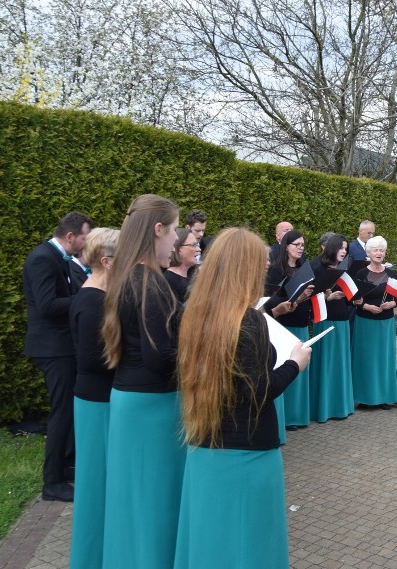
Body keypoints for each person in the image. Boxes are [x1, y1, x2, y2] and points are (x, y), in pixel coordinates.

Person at [174, 228, 311, 569]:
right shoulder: (247, 320)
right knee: (250, 545)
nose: (266, 267)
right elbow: (259, 392)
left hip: (205, 443)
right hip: (247, 451)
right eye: (259, 262)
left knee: (212, 542)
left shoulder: (194, 312)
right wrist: (295, 363)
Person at [100, 194, 185, 568]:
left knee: (134, 501)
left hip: (132, 399)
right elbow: (159, 357)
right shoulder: (149, 282)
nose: (177, 242)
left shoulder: (126, 274)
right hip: (152, 406)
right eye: (174, 232)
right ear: (157, 229)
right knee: (154, 502)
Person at [23, 210, 95, 502]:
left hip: (62, 346)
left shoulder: (60, 259)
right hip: (53, 348)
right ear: (70, 237)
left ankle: (65, 467)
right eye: (84, 238)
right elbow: (47, 305)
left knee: (67, 411)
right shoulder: (42, 258)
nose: (86, 244)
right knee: (61, 413)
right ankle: (51, 482)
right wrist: (87, 296)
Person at [68, 227, 119, 569]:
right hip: (96, 402)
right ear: (106, 261)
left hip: (98, 400)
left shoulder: (98, 297)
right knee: (96, 483)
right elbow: (92, 360)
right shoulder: (91, 301)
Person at [265, 230, 315, 430]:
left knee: (300, 367)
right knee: (286, 367)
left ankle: (298, 415)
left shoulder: (304, 267)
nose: (300, 248)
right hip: (284, 322)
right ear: (286, 246)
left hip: (301, 318)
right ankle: (285, 418)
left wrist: (308, 295)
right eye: (297, 244)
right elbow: (271, 298)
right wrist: (295, 298)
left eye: (302, 245)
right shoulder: (277, 269)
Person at [308, 234, 355, 422]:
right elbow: (308, 295)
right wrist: (327, 298)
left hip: (342, 319)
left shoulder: (344, 267)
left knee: (340, 364)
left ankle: (340, 405)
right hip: (324, 320)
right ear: (332, 248)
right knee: (325, 364)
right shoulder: (316, 266)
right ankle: (323, 408)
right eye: (341, 248)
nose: (344, 251)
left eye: (346, 249)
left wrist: (355, 296)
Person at [351, 236, 397, 408]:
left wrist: (392, 303)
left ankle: (383, 397)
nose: (379, 253)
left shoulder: (392, 274)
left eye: (382, 250)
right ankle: (365, 398)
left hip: (385, 322)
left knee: (384, 360)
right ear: (368, 252)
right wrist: (366, 306)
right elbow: (355, 299)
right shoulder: (361, 274)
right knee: (366, 360)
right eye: (375, 250)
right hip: (366, 321)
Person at [164, 228, 200, 304]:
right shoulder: (168, 280)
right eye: (194, 245)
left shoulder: (193, 274)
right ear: (178, 249)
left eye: (197, 245)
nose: (199, 249)